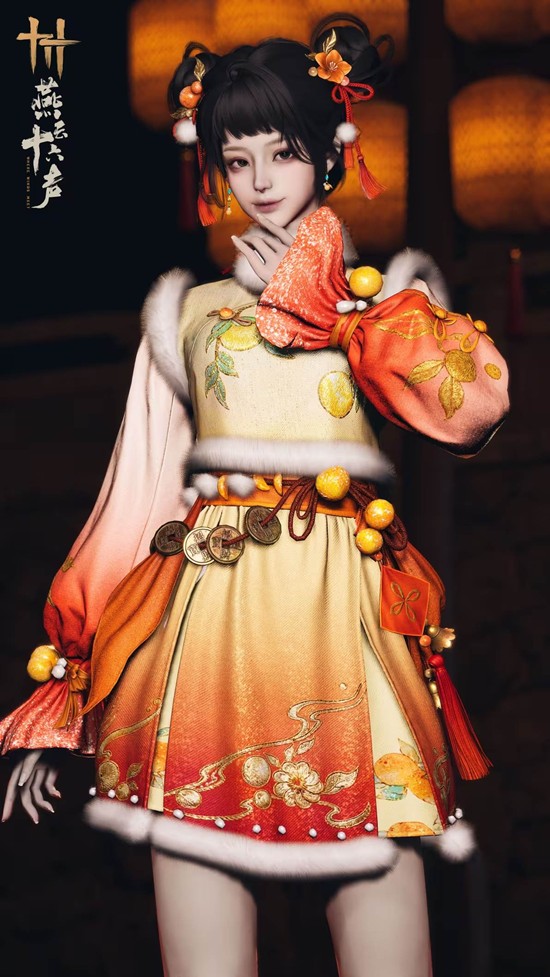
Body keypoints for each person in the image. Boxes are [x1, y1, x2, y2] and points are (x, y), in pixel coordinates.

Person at [0, 13, 509, 977]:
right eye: (238, 159)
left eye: (284, 152)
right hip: (207, 640)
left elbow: (474, 406)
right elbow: (136, 502)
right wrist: (63, 689)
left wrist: (332, 317)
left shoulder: (383, 304)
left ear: (330, 151)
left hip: (346, 634)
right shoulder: (188, 314)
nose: (262, 179)